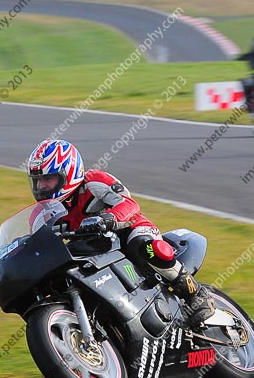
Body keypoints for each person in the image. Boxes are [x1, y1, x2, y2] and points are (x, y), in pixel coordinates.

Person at [26, 139, 216, 327]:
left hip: (129, 232)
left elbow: (129, 204)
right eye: (38, 180)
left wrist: (109, 219)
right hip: (92, 252)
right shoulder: (39, 215)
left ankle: (197, 295)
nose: (41, 186)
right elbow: (36, 245)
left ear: (69, 173)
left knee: (144, 247)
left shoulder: (94, 182)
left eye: (48, 179)